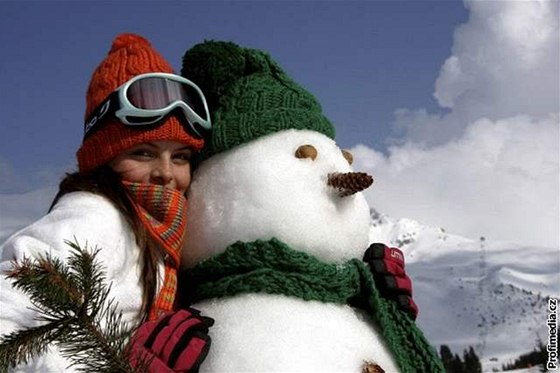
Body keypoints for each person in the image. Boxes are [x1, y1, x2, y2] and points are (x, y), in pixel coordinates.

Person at [0, 33, 212, 372]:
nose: (165, 173)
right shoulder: (93, 216)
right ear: (105, 159)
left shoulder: (156, 232)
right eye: (143, 153)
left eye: (181, 156)